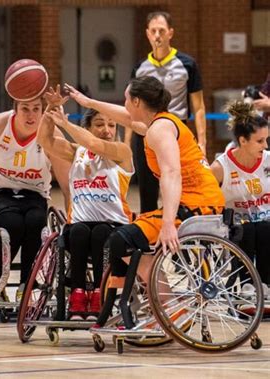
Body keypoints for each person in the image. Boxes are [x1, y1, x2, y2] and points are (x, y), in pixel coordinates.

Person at [64, 76, 225, 326]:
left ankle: (168, 306)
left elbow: (172, 173)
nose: (124, 103)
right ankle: (162, 301)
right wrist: (88, 101)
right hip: (200, 200)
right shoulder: (159, 123)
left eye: (127, 98)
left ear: (137, 101)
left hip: (196, 205)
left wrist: (169, 222)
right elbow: (125, 118)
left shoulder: (160, 130)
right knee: (126, 237)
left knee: (121, 239)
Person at [0, 82, 70, 303]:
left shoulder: (51, 135)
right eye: (25, 109)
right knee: (12, 223)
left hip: (34, 193)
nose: (31, 115)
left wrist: (72, 217)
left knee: (36, 221)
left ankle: (27, 284)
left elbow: (67, 184)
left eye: (36, 109)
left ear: (43, 110)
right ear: (15, 109)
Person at [38, 87, 134, 320]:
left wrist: (66, 124)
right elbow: (44, 140)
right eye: (100, 124)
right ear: (89, 127)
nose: (107, 130)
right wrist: (50, 109)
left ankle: (102, 293)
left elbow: (95, 144)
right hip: (79, 224)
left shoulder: (122, 152)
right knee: (79, 231)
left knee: (101, 232)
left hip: (114, 226)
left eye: (112, 125)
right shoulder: (76, 152)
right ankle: (78, 293)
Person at [124, 11, 207, 213]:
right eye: (153, 31)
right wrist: (126, 143)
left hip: (175, 131)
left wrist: (202, 142)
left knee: (177, 185)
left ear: (170, 33)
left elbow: (199, 106)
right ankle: (149, 235)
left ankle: (177, 232)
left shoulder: (187, 64)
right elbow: (130, 106)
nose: (157, 35)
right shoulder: (140, 67)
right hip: (143, 132)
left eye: (161, 30)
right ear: (147, 34)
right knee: (147, 191)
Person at [211, 100, 269, 288]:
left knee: (263, 228)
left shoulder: (268, 160)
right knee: (249, 229)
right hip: (234, 226)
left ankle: (265, 286)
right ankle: (248, 287)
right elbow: (207, 200)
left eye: (267, 139)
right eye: (260, 141)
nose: (265, 145)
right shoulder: (220, 168)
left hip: (266, 223)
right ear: (243, 141)